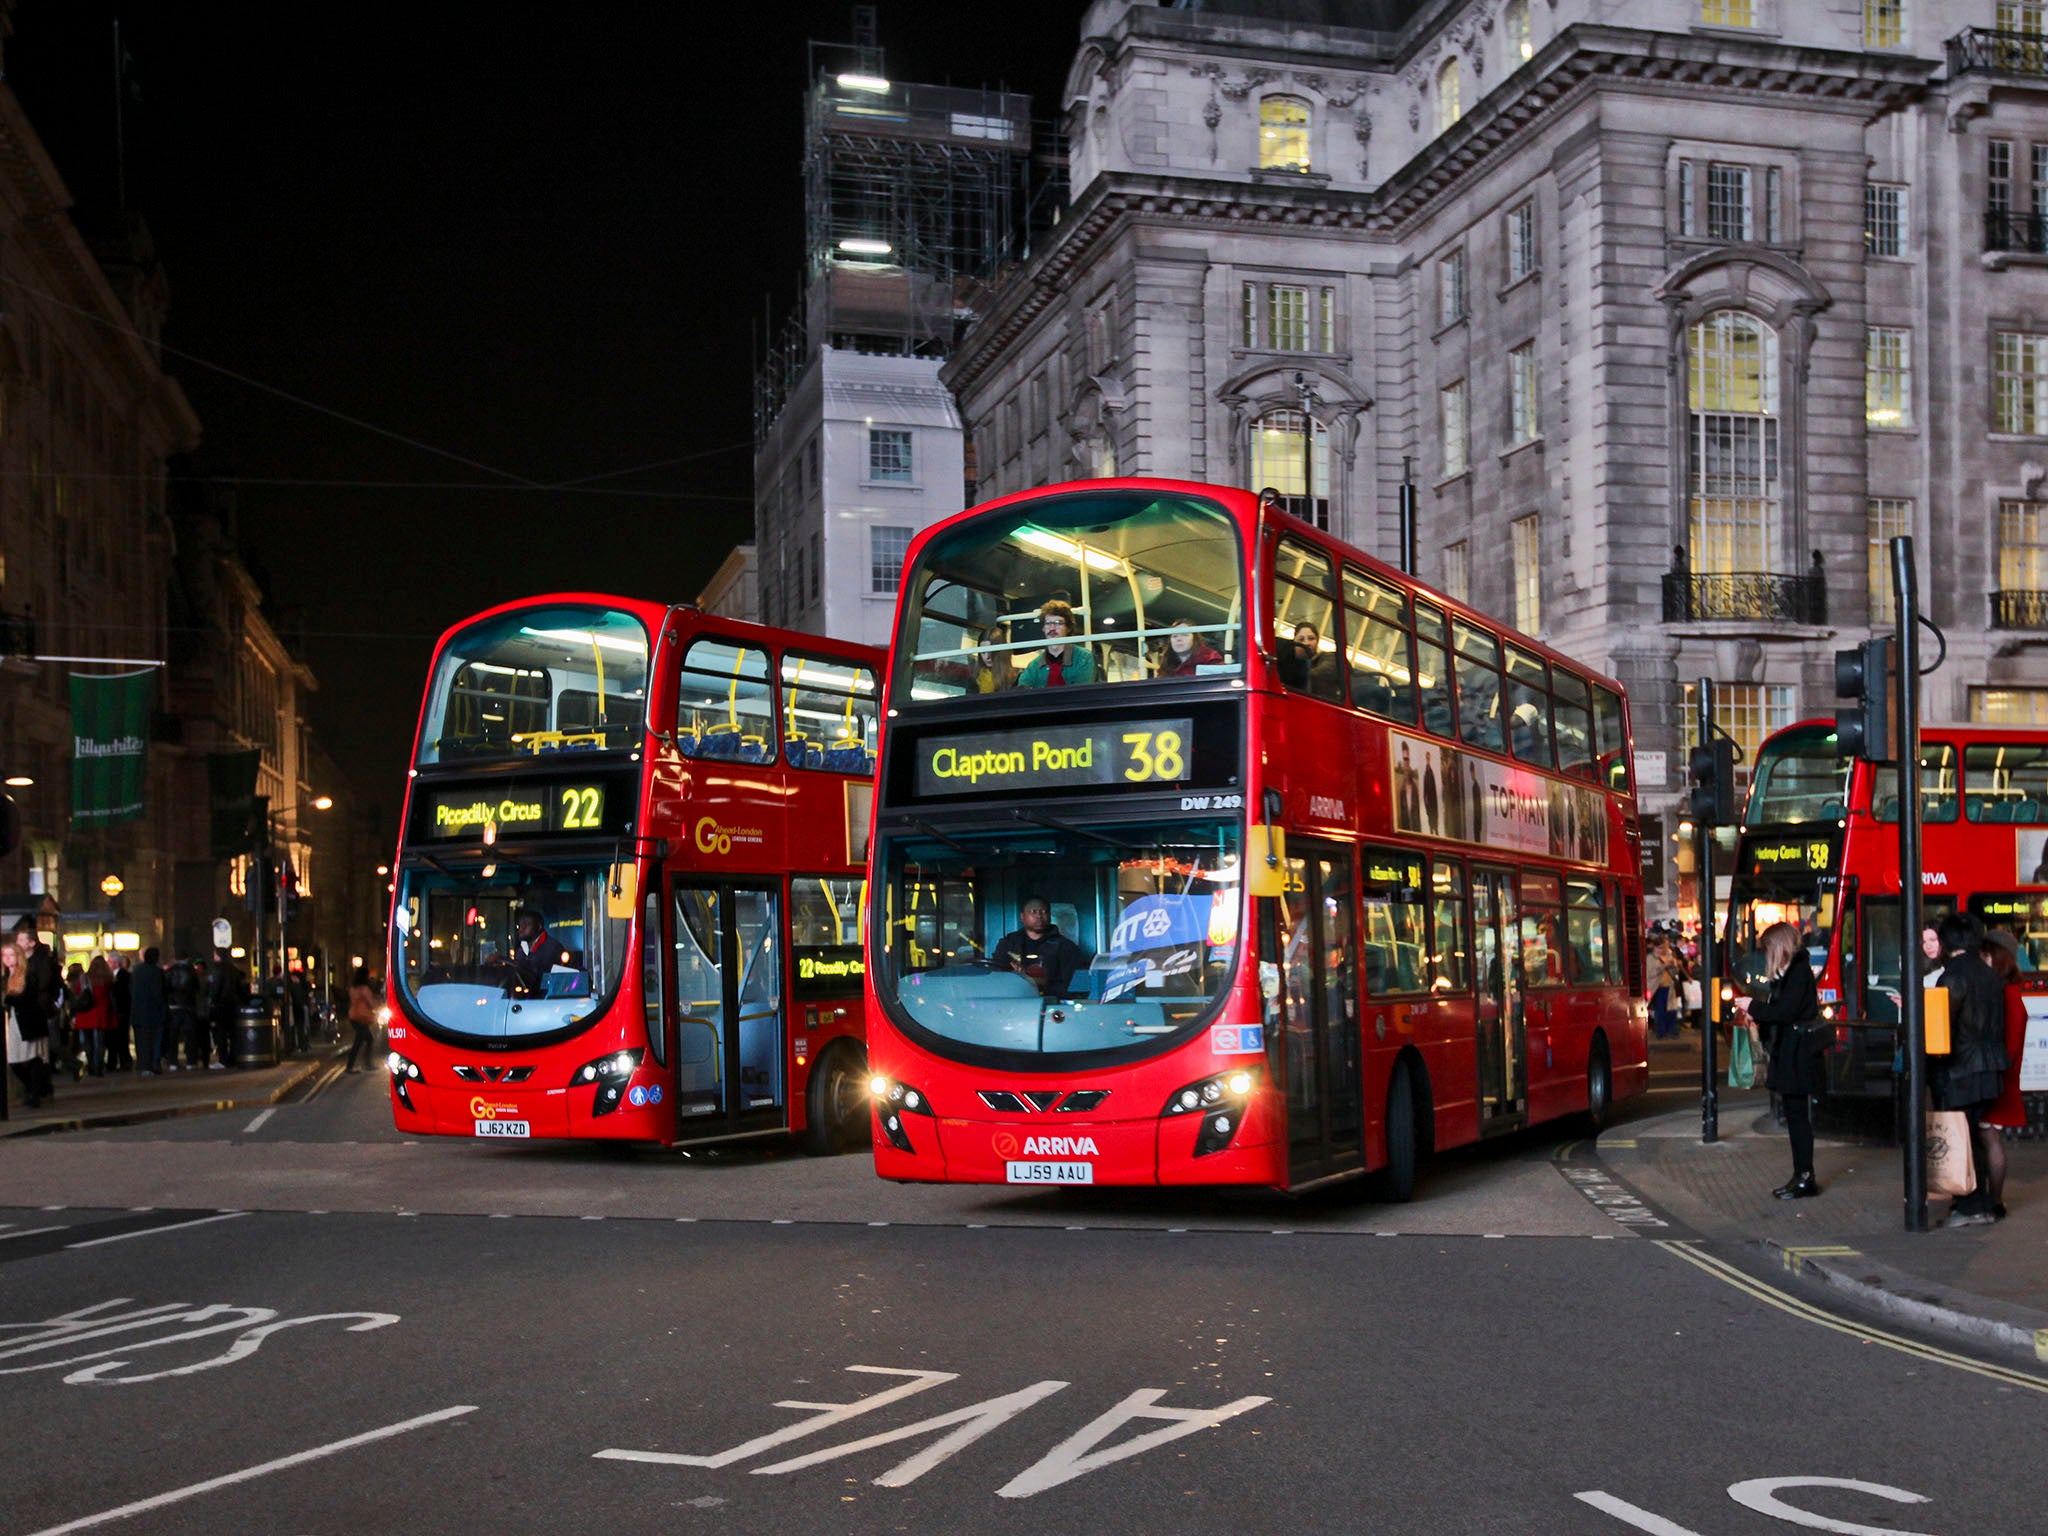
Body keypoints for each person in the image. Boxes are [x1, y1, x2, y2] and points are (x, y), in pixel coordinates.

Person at [1733, 921, 1825, 1199]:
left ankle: (1804, 1177)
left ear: (1780, 946)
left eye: (1768, 948)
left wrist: (1753, 1007)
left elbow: (1786, 1012)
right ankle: (1802, 1175)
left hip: (1798, 1054)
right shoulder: (1789, 972)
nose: (1766, 955)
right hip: (1791, 1052)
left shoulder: (1797, 972)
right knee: (1795, 1116)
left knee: (1797, 1118)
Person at [1931, 912, 2010, 1226]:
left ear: (1948, 941)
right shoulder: (1989, 974)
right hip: (1990, 1068)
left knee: (1960, 1139)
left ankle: (1969, 1206)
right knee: (1976, 1136)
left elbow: (1941, 1030)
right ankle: (1982, 1203)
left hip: (1960, 1069)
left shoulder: (1952, 976)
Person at [1980, 929, 2029, 1221]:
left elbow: (2009, 1047)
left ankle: (1995, 1201)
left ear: (1998, 959)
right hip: (2002, 1077)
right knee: (1990, 1139)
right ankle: (1993, 1199)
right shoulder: (2009, 993)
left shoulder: (2008, 996)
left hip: (2000, 1079)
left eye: (1986, 955)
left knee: (1990, 1139)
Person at [990, 896, 1091, 997]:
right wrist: (1015, 976)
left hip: (1051, 1005)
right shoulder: (1008, 944)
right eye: (1033, 911)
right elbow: (996, 977)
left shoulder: (1066, 947)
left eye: (1044, 912)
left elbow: (1076, 988)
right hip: (1013, 1002)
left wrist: (1039, 983)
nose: (1039, 916)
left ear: (1050, 916)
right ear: (1022, 916)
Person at [1017, 600, 1096, 688]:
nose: (1052, 628)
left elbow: (1082, 694)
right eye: (1048, 623)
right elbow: (1022, 691)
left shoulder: (1084, 658)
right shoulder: (1034, 665)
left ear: (1068, 628)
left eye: (1058, 623)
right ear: (1043, 628)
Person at [508, 909, 568, 996]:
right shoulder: (521, 950)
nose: (521, 929)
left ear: (539, 927)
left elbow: (538, 974)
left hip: (547, 999)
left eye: (527, 925)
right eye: (520, 925)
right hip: (526, 999)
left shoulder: (552, 948)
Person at [74, 956, 116, 1078]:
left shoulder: (84, 978)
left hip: (85, 1014)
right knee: (100, 1043)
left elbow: (77, 993)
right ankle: (99, 1067)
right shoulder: (107, 979)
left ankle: (91, 1066)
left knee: (88, 1043)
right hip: (101, 1014)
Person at [130, 946, 167, 1076]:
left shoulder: (136, 971)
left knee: (141, 1041)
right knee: (155, 1040)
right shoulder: (157, 972)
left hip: (138, 1012)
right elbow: (159, 993)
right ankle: (154, 1064)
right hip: (154, 1012)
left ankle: (143, 1064)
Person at [208, 947, 247, 1067]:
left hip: (222, 1005)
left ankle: (223, 1059)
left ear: (218, 956)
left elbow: (215, 989)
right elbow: (242, 988)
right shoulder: (234, 970)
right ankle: (233, 1058)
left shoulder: (219, 970)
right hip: (234, 1005)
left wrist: (213, 1002)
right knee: (233, 1034)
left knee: (221, 1034)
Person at [165, 954, 203, 1069]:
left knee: (173, 1036)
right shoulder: (191, 971)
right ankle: (191, 1061)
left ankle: (173, 1062)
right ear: (187, 959)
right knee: (190, 1035)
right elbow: (197, 987)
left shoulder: (170, 971)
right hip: (188, 1006)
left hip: (174, 1006)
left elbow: (166, 987)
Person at [344, 964, 380, 1073]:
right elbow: (372, 1003)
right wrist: (378, 1006)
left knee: (367, 1039)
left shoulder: (352, 989)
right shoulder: (365, 989)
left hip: (353, 1016)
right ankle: (352, 1066)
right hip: (362, 1017)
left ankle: (365, 1063)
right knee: (359, 1042)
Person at [1157, 624, 1222, 678]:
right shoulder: (1166, 664)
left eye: (1185, 635)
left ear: (1195, 639)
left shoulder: (1210, 658)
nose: (1179, 639)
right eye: (1174, 636)